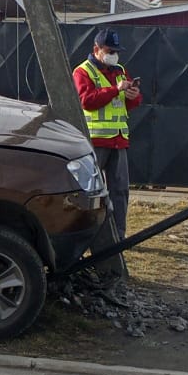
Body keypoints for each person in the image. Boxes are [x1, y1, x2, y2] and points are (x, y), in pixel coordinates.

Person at [74, 28, 142, 239]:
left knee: (120, 192)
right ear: (96, 49)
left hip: (118, 141)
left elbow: (131, 103)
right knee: (88, 193)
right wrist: (116, 89)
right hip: (94, 142)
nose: (113, 54)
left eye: (116, 50)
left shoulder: (120, 70)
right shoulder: (82, 71)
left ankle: (118, 237)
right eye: (109, 50)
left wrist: (133, 94)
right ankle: (82, 236)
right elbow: (87, 100)